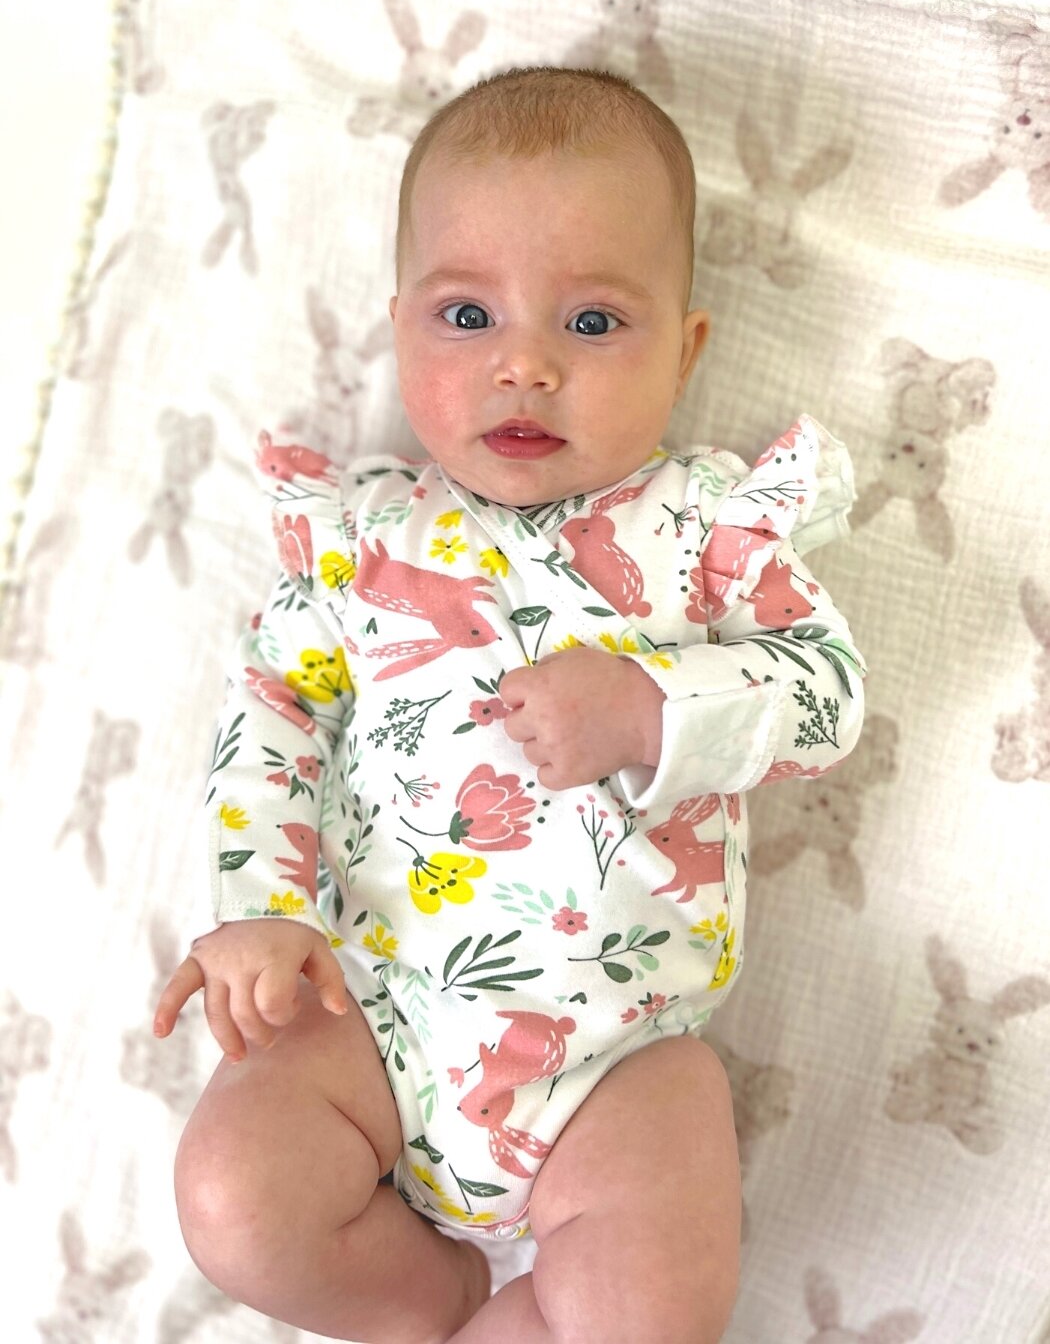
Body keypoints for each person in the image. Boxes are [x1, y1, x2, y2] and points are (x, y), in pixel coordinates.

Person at [154, 66, 866, 1344]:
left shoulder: (703, 533)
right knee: (233, 1195)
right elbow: (273, 710)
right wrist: (259, 906)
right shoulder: (362, 542)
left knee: (647, 1306)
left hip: (619, 1058)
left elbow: (826, 697)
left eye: (592, 322)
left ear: (684, 348)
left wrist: (656, 707)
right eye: (467, 314)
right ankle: (425, 1304)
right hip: (372, 1012)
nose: (525, 363)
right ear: (400, 331)